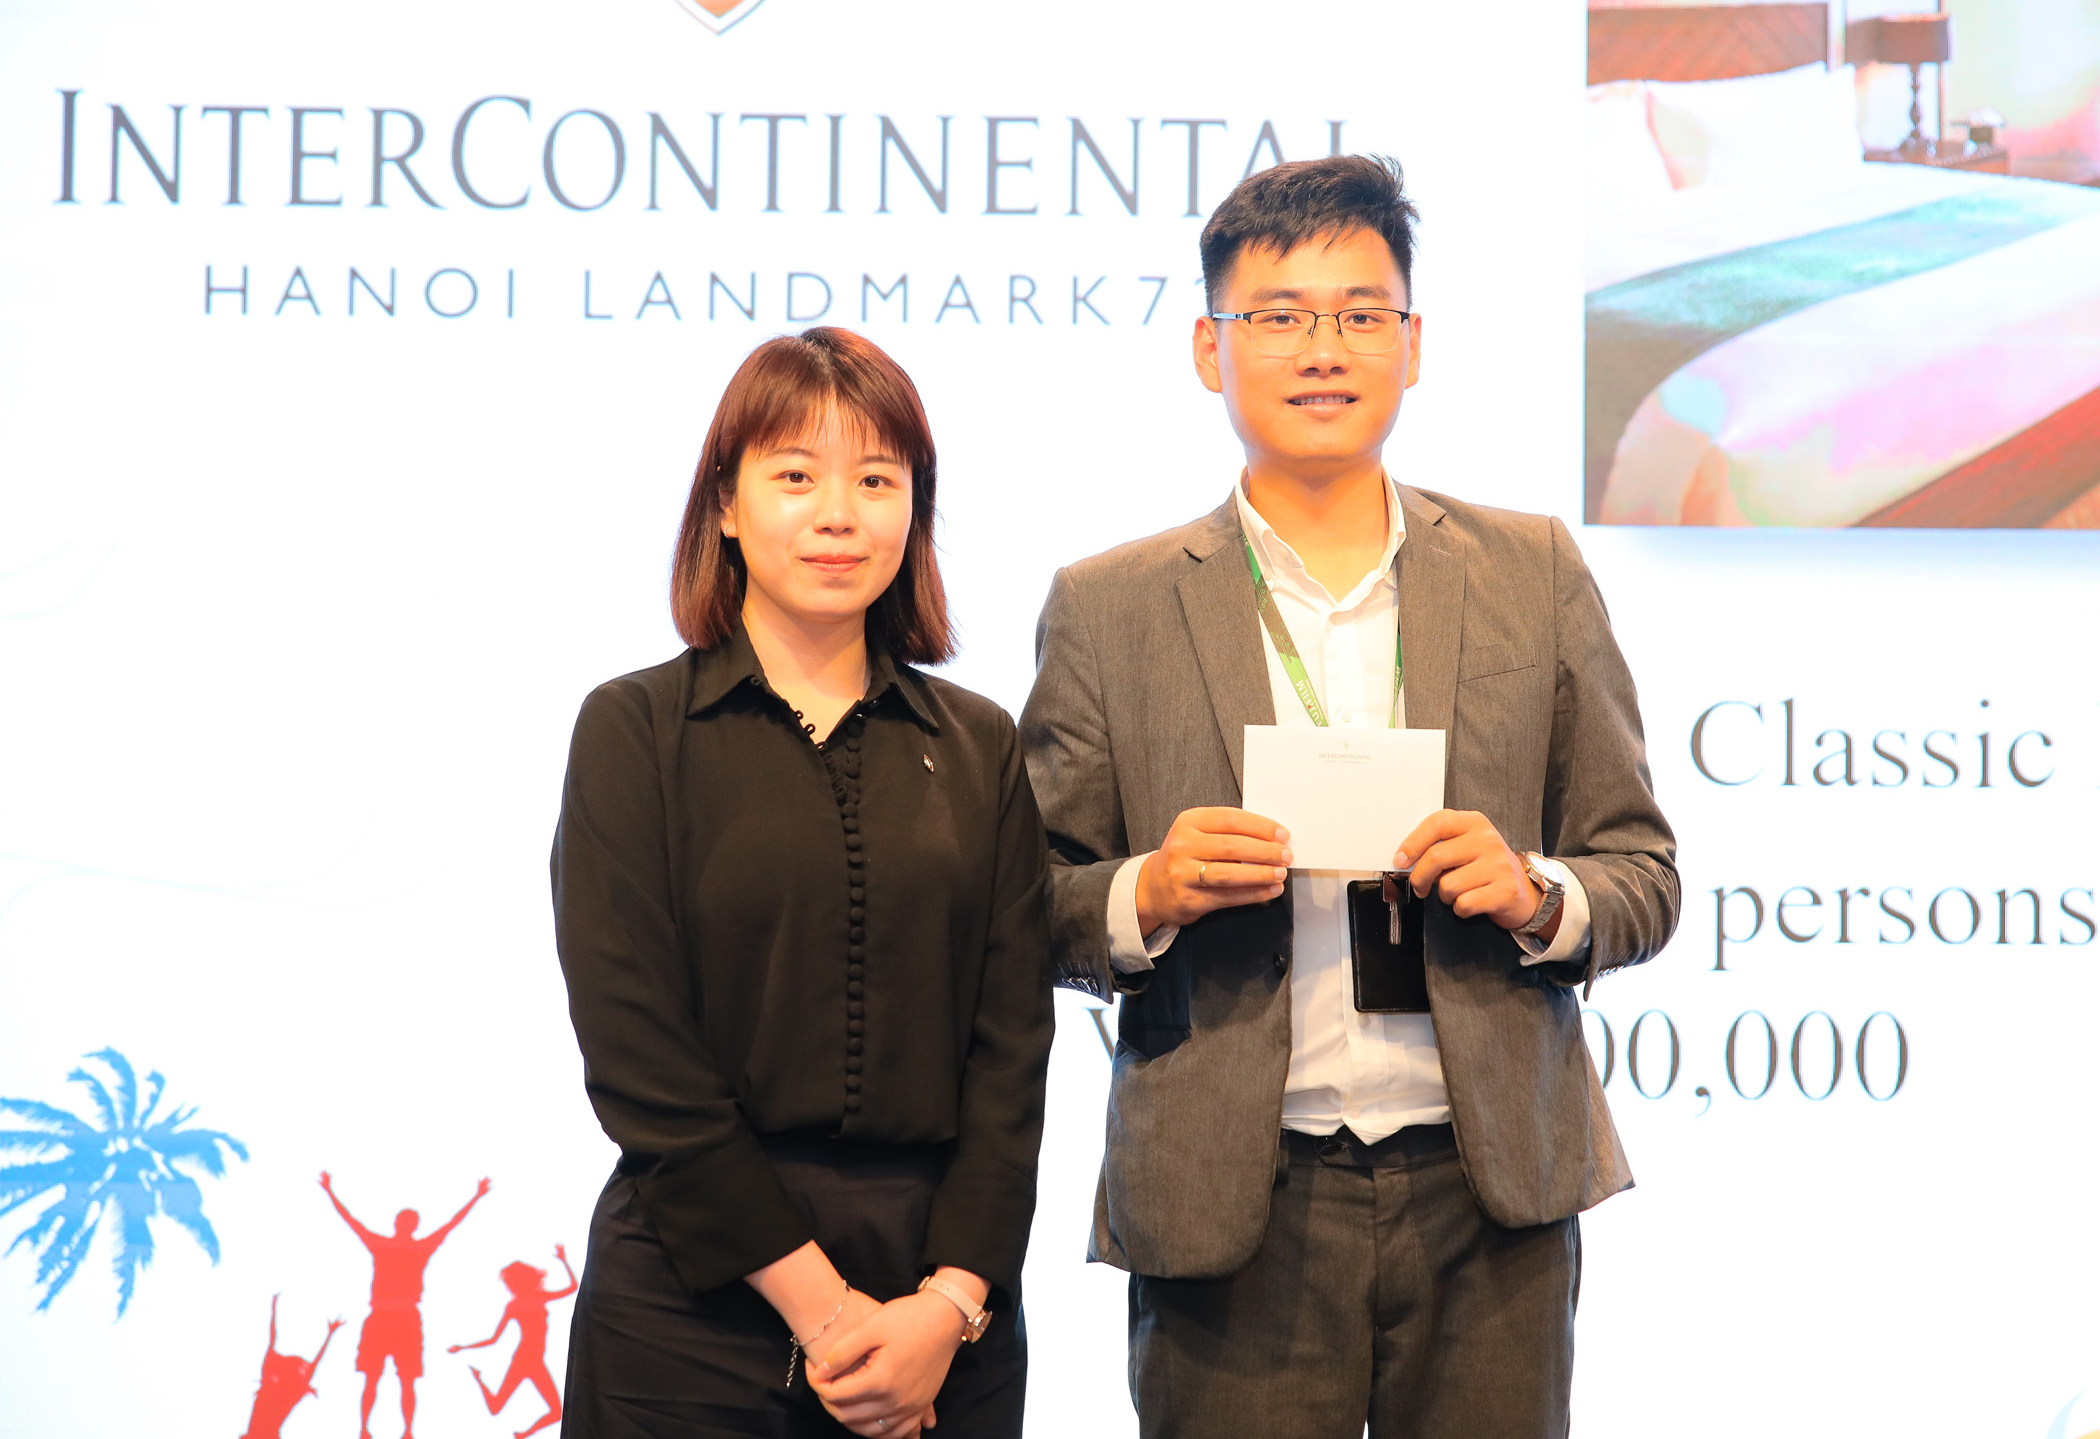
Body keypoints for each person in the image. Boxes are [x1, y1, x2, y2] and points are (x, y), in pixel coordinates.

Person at [1019, 155, 1679, 1438]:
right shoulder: (1110, 605)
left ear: (1412, 344)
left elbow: (1641, 872)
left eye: (1360, 314)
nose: (1323, 349)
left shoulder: (1532, 569)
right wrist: (1148, 892)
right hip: (1233, 1195)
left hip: (1486, 1192)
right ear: (1210, 349)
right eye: (1278, 315)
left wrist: (1536, 896)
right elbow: (1032, 904)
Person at [553, 326, 1053, 1438]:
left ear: (915, 510)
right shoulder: (635, 729)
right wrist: (826, 1314)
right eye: (795, 477)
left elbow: (1012, 1054)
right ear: (725, 505)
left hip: (939, 1314)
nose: (839, 515)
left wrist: (949, 1307)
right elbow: (638, 1054)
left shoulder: (980, 744)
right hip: (693, 1299)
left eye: (877, 480)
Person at [319, 1170, 490, 1439]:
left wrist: (476, 1197)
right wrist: (330, 1192)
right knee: (377, 1378)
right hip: (385, 1317)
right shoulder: (392, 1246)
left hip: (402, 1318)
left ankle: (404, 1431)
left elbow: (451, 1224)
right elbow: (351, 1221)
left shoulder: (410, 1248)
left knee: (402, 1380)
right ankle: (368, 1429)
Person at [446, 1246, 578, 1439]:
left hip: (535, 1361)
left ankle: (523, 1434)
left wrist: (564, 1261)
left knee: (557, 1412)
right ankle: (478, 1378)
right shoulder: (514, 1306)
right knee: (496, 1407)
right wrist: (463, 1347)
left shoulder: (539, 1296)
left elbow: (572, 1288)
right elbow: (494, 1339)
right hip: (523, 1360)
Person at [238, 1295, 343, 1439]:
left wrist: (330, 1335)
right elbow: (314, 1364)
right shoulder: (284, 1387)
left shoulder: (283, 1388)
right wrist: (329, 1335)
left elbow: (273, 1339)